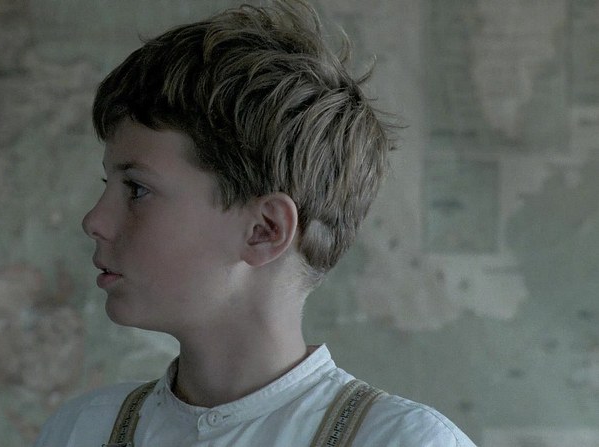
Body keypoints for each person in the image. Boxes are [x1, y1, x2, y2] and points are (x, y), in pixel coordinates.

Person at [34, 1, 475, 445]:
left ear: (264, 230)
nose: (95, 220)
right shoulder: (81, 430)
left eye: (136, 189)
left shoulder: (402, 440)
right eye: (108, 184)